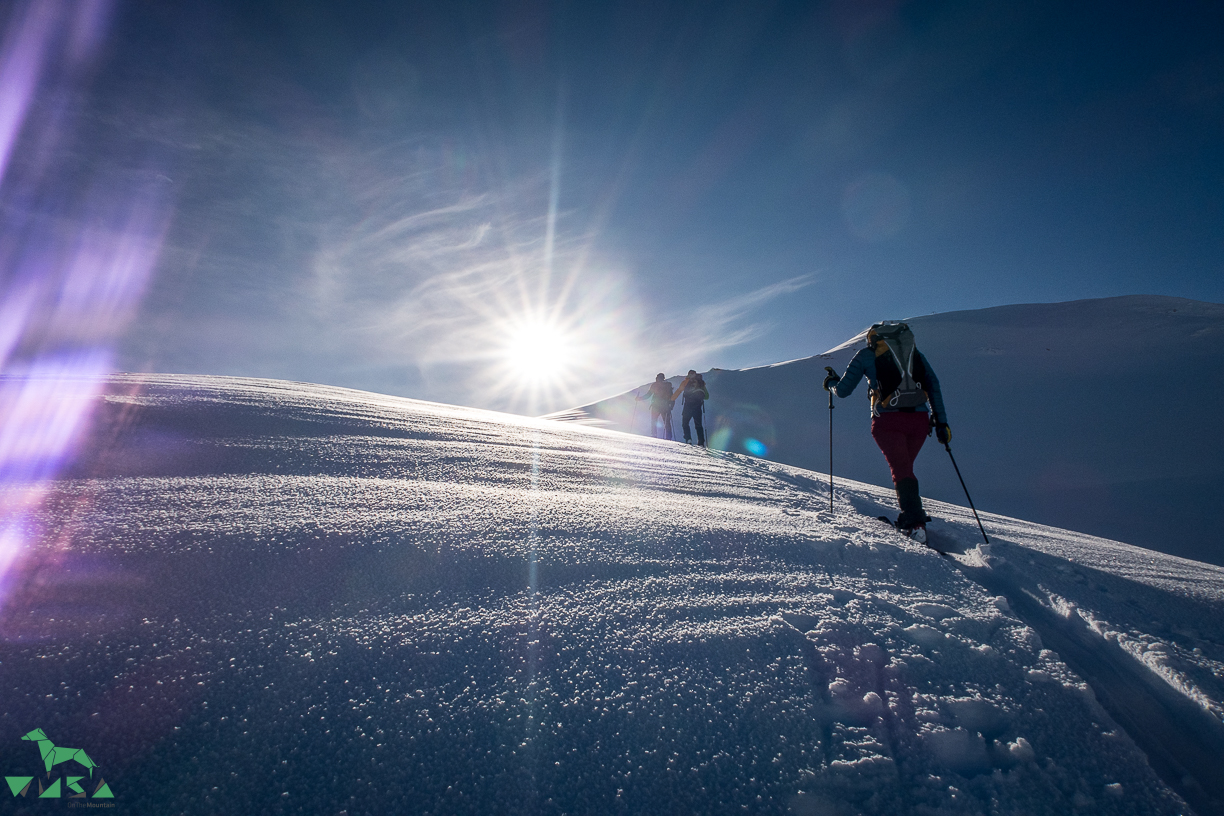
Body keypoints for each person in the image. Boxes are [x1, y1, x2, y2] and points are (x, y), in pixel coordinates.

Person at [823, 323, 949, 545]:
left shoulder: (866, 355)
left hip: (887, 421)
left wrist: (831, 382)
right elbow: (934, 385)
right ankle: (912, 516)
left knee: (901, 470)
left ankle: (914, 524)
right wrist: (942, 423)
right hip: (920, 422)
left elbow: (843, 391)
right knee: (904, 468)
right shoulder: (914, 354)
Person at [673, 370, 709, 447]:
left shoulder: (685, 382)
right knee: (698, 425)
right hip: (698, 407)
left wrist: (671, 399)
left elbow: (679, 391)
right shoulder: (700, 383)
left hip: (688, 406)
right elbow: (706, 397)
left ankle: (688, 439)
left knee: (685, 423)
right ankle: (701, 442)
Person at [642, 373, 675, 440]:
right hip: (665, 406)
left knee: (654, 421)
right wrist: (671, 406)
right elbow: (672, 397)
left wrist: (639, 398)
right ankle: (668, 437)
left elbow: (648, 395)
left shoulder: (654, 385)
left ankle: (654, 435)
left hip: (656, 406)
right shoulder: (668, 385)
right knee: (667, 422)